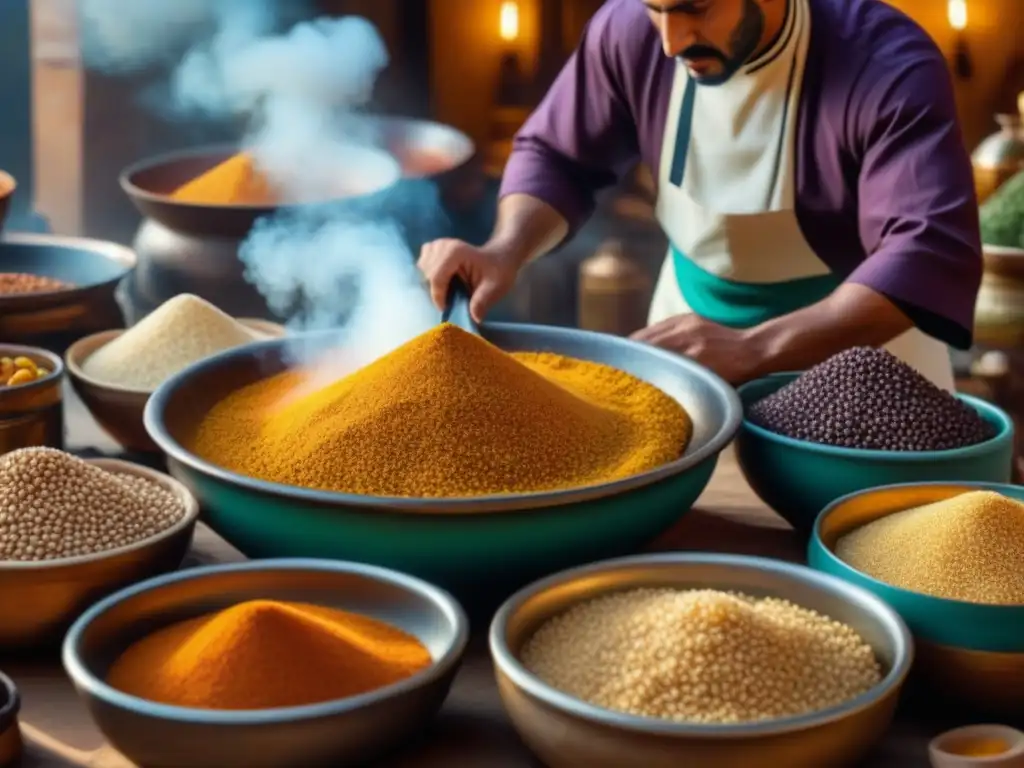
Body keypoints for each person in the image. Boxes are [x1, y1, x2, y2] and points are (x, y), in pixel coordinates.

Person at [418, 0, 982, 389]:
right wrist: (504, 249)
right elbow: (558, 155)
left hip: (864, 360)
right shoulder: (629, 31)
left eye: (695, 6)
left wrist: (755, 348)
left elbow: (925, 251)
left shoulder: (885, 63)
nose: (670, 41)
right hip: (691, 348)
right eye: (655, 9)